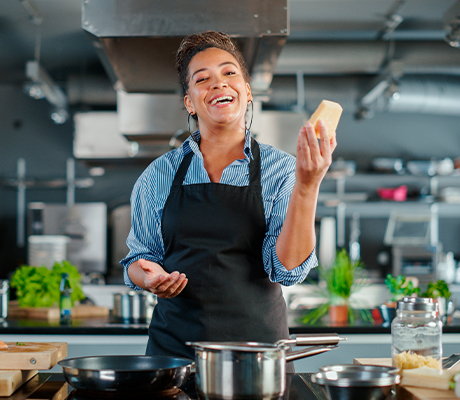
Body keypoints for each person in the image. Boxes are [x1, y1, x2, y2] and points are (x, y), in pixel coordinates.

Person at [120, 31, 337, 363]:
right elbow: (140, 257)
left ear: (247, 92)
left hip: (258, 359)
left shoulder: (282, 170)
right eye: (203, 79)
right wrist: (148, 277)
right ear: (189, 101)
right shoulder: (157, 176)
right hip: (175, 357)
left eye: (229, 73)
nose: (218, 84)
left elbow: (287, 269)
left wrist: (307, 186)